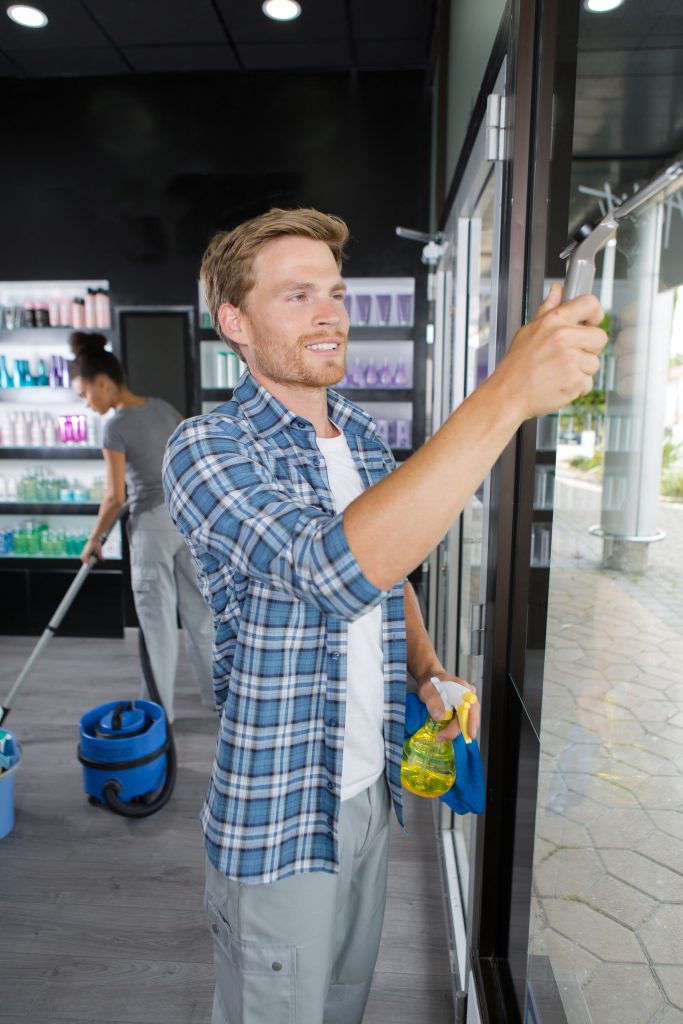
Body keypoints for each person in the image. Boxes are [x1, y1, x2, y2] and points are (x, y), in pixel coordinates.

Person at [162, 208, 606, 1024]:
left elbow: (387, 571)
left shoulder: (361, 433)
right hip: (279, 810)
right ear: (235, 323)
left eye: (334, 293)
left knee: (341, 1004)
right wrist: (506, 395)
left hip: (369, 793)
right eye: (296, 295)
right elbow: (329, 570)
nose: (329, 314)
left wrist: (426, 669)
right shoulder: (205, 448)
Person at [69, 331, 214, 722]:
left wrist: (95, 539)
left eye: (84, 394)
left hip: (151, 529)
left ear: (103, 383)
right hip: (187, 521)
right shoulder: (164, 409)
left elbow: (115, 497)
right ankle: (218, 697)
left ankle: (158, 712)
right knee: (201, 617)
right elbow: (193, 460)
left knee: (157, 623)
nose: (86, 403)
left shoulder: (115, 427)